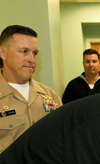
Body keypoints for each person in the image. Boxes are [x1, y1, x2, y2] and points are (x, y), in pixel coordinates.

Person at [0, 25, 62, 153]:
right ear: (3, 53)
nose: (31, 59)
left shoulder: (50, 95)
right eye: (24, 51)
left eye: (35, 53)